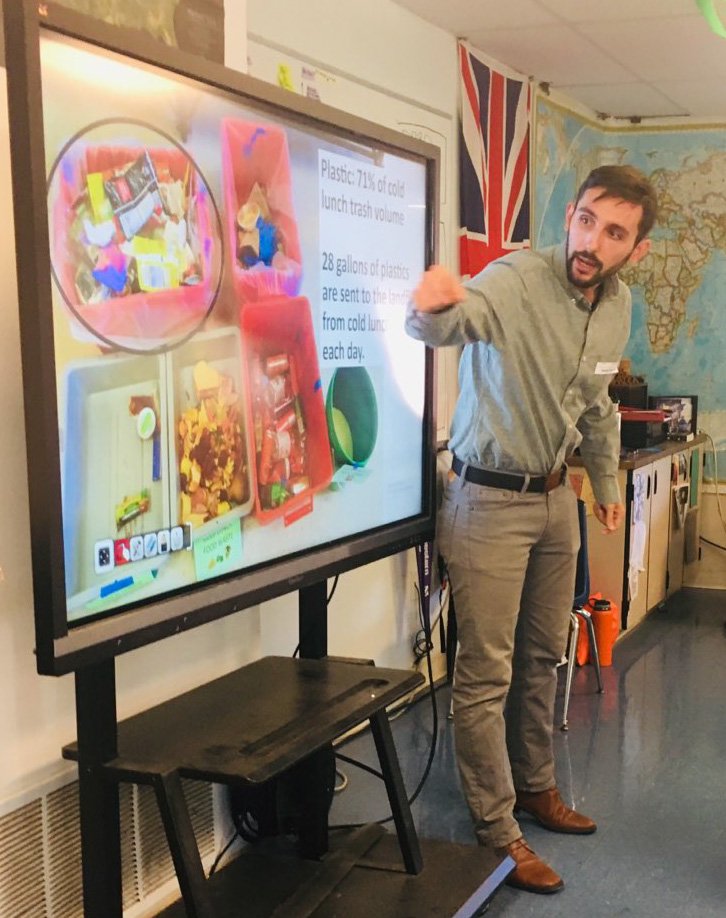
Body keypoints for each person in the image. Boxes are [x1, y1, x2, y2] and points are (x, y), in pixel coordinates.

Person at [405, 165, 656, 894]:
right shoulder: (516, 280)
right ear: (570, 215)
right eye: (584, 220)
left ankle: (538, 787)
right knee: (485, 671)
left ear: (634, 248)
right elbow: (449, 323)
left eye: (613, 232)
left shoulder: (618, 306)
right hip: (486, 500)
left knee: (546, 657)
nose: (590, 240)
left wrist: (605, 482)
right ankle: (497, 825)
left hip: (556, 500)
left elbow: (599, 402)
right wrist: (429, 308)